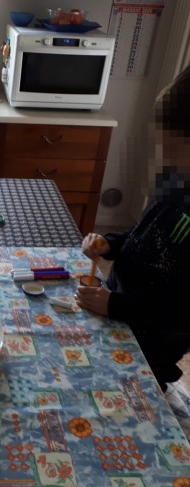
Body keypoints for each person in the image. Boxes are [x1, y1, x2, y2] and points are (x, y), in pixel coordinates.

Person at [76, 65, 190, 392]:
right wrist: (110, 243)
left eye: (175, 150)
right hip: (117, 309)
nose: (167, 159)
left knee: (131, 397)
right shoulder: (175, 179)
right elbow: (142, 234)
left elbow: (182, 311)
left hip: (152, 343)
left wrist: (116, 305)